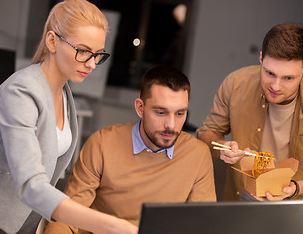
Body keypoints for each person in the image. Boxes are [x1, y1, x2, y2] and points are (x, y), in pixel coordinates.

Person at [0, 0, 137, 234]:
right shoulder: (20, 92)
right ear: (52, 41)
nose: (92, 64)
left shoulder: (64, 92)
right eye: (83, 51)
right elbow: (31, 184)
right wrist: (111, 224)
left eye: (98, 54)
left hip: (27, 222)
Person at [43, 65, 216, 233]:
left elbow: (204, 224)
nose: (171, 125)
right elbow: (68, 216)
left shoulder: (198, 155)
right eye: (160, 112)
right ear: (140, 108)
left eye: (180, 113)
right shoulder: (102, 144)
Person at [196, 23, 303, 201]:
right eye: (270, 73)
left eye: (288, 78)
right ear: (261, 59)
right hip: (244, 192)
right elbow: (206, 132)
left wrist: (294, 189)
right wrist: (220, 147)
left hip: (298, 198)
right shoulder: (236, 84)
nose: (275, 86)